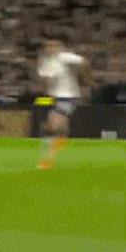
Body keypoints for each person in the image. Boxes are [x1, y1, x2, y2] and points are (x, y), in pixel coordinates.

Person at [36, 38, 89, 169]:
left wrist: (84, 80)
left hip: (68, 97)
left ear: (59, 47)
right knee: (55, 127)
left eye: (54, 46)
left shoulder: (64, 57)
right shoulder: (46, 62)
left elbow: (84, 62)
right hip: (56, 98)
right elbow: (45, 81)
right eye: (48, 46)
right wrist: (47, 85)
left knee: (53, 125)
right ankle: (61, 145)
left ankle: (48, 159)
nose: (50, 48)